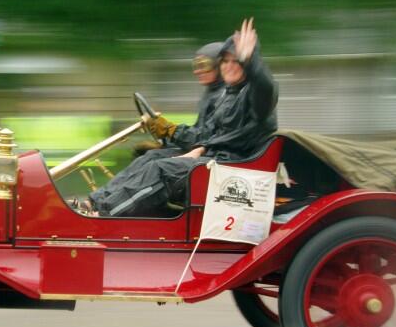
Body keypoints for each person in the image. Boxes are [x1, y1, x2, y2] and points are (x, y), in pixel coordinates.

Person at [85, 18, 278, 217]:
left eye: (236, 61)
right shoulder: (230, 95)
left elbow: (266, 87)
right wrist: (193, 147)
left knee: (160, 169)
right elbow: (212, 134)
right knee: (152, 157)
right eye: (225, 61)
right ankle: (95, 202)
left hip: (233, 168)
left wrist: (250, 60)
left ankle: (102, 217)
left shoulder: (255, 95)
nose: (229, 66)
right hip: (215, 159)